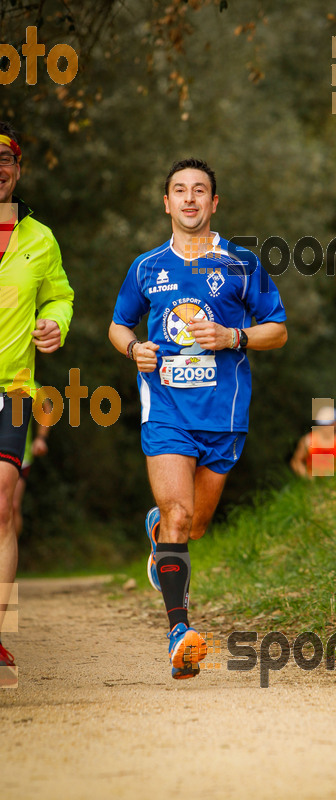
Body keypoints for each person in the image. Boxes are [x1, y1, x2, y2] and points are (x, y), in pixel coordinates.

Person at [109, 157, 287, 681]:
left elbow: (277, 328)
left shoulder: (241, 263)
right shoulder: (146, 267)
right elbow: (118, 326)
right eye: (179, 191)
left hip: (224, 415)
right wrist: (135, 349)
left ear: (214, 203)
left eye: (200, 191)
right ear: (166, 203)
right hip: (165, 410)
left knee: (195, 525)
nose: (189, 199)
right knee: (181, 517)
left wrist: (235, 336)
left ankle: (158, 530)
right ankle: (179, 633)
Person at [0, 122, 74, 679]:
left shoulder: (39, 239)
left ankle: (0, 639)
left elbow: (60, 295)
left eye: (5, 157)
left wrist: (53, 322)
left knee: (3, 509)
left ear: (18, 169)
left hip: (14, 389)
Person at [13, 390, 53, 539]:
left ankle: (10, 552)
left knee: (12, 506)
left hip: (20, 457)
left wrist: (41, 438)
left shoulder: (25, 381)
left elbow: (46, 407)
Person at [290, 406, 336, 477]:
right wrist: (306, 477)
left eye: (329, 424)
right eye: (323, 424)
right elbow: (296, 462)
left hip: (335, 482)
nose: (326, 427)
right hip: (313, 484)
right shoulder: (308, 441)